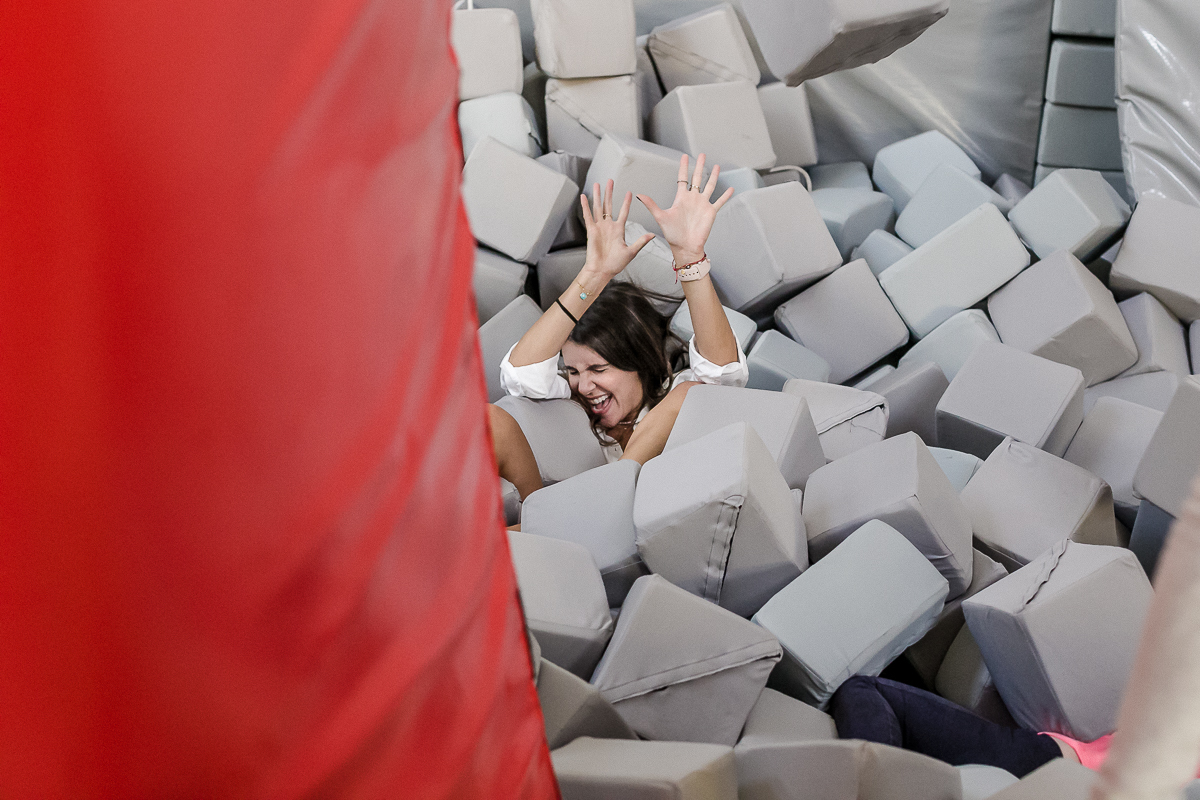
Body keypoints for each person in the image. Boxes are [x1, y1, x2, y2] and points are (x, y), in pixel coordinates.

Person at [489, 154, 747, 501]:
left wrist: (689, 257)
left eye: (598, 368)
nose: (585, 385)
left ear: (638, 361)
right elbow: (520, 374)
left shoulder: (673, 401)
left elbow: (721, 377)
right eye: (575, 370)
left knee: (693, 393)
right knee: (489, 420)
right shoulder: (575, 411)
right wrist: (593, 275)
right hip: (563, 518)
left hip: (652, 516)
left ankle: (616, 486)